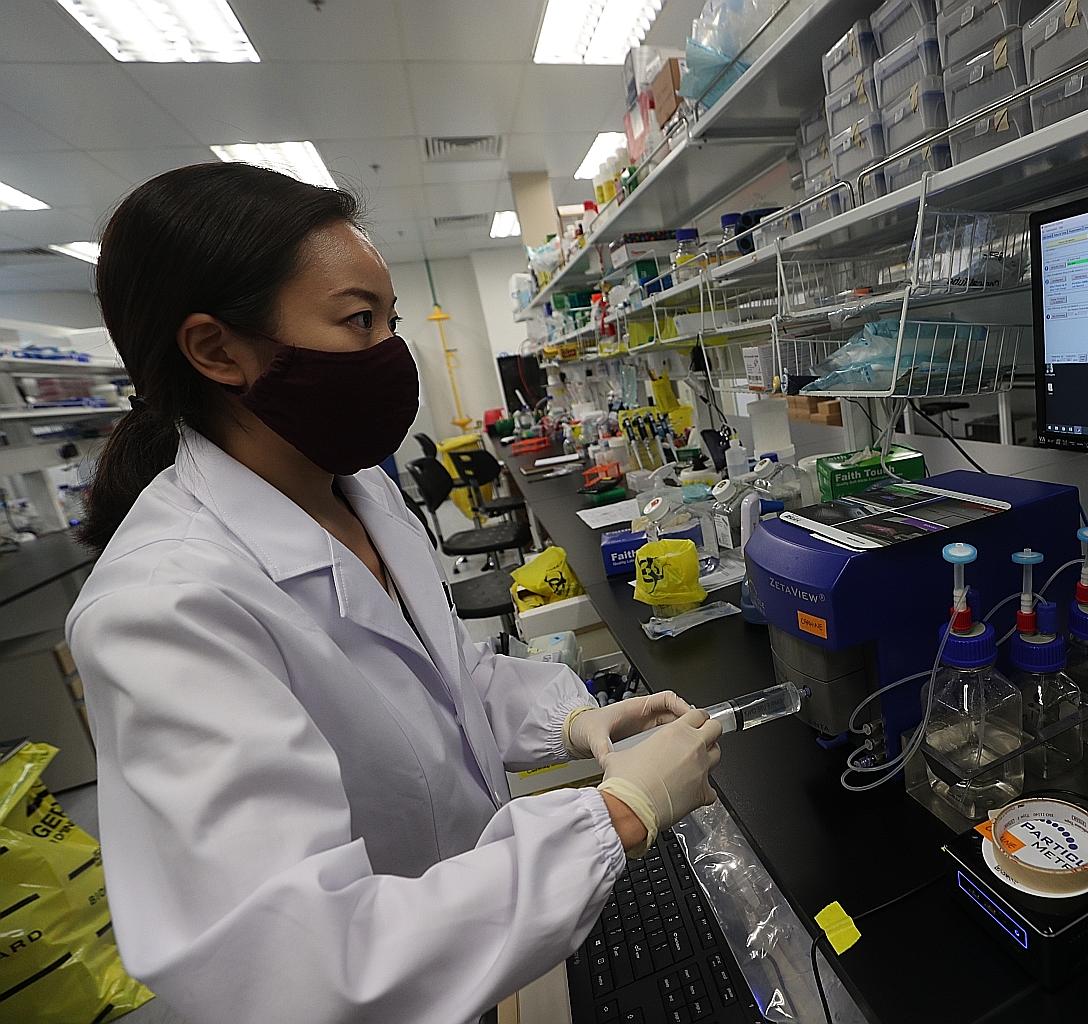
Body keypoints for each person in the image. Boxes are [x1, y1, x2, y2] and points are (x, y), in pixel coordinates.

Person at [65, 163, 723, 1024]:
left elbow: (445, 682)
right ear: (217, 350)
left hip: (476, 951)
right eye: (357, 321)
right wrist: (618, 817)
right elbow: (297, 968)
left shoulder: (357, 492)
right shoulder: (162, 609)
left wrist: (569, 719)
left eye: (391, 320)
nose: (388, 353)